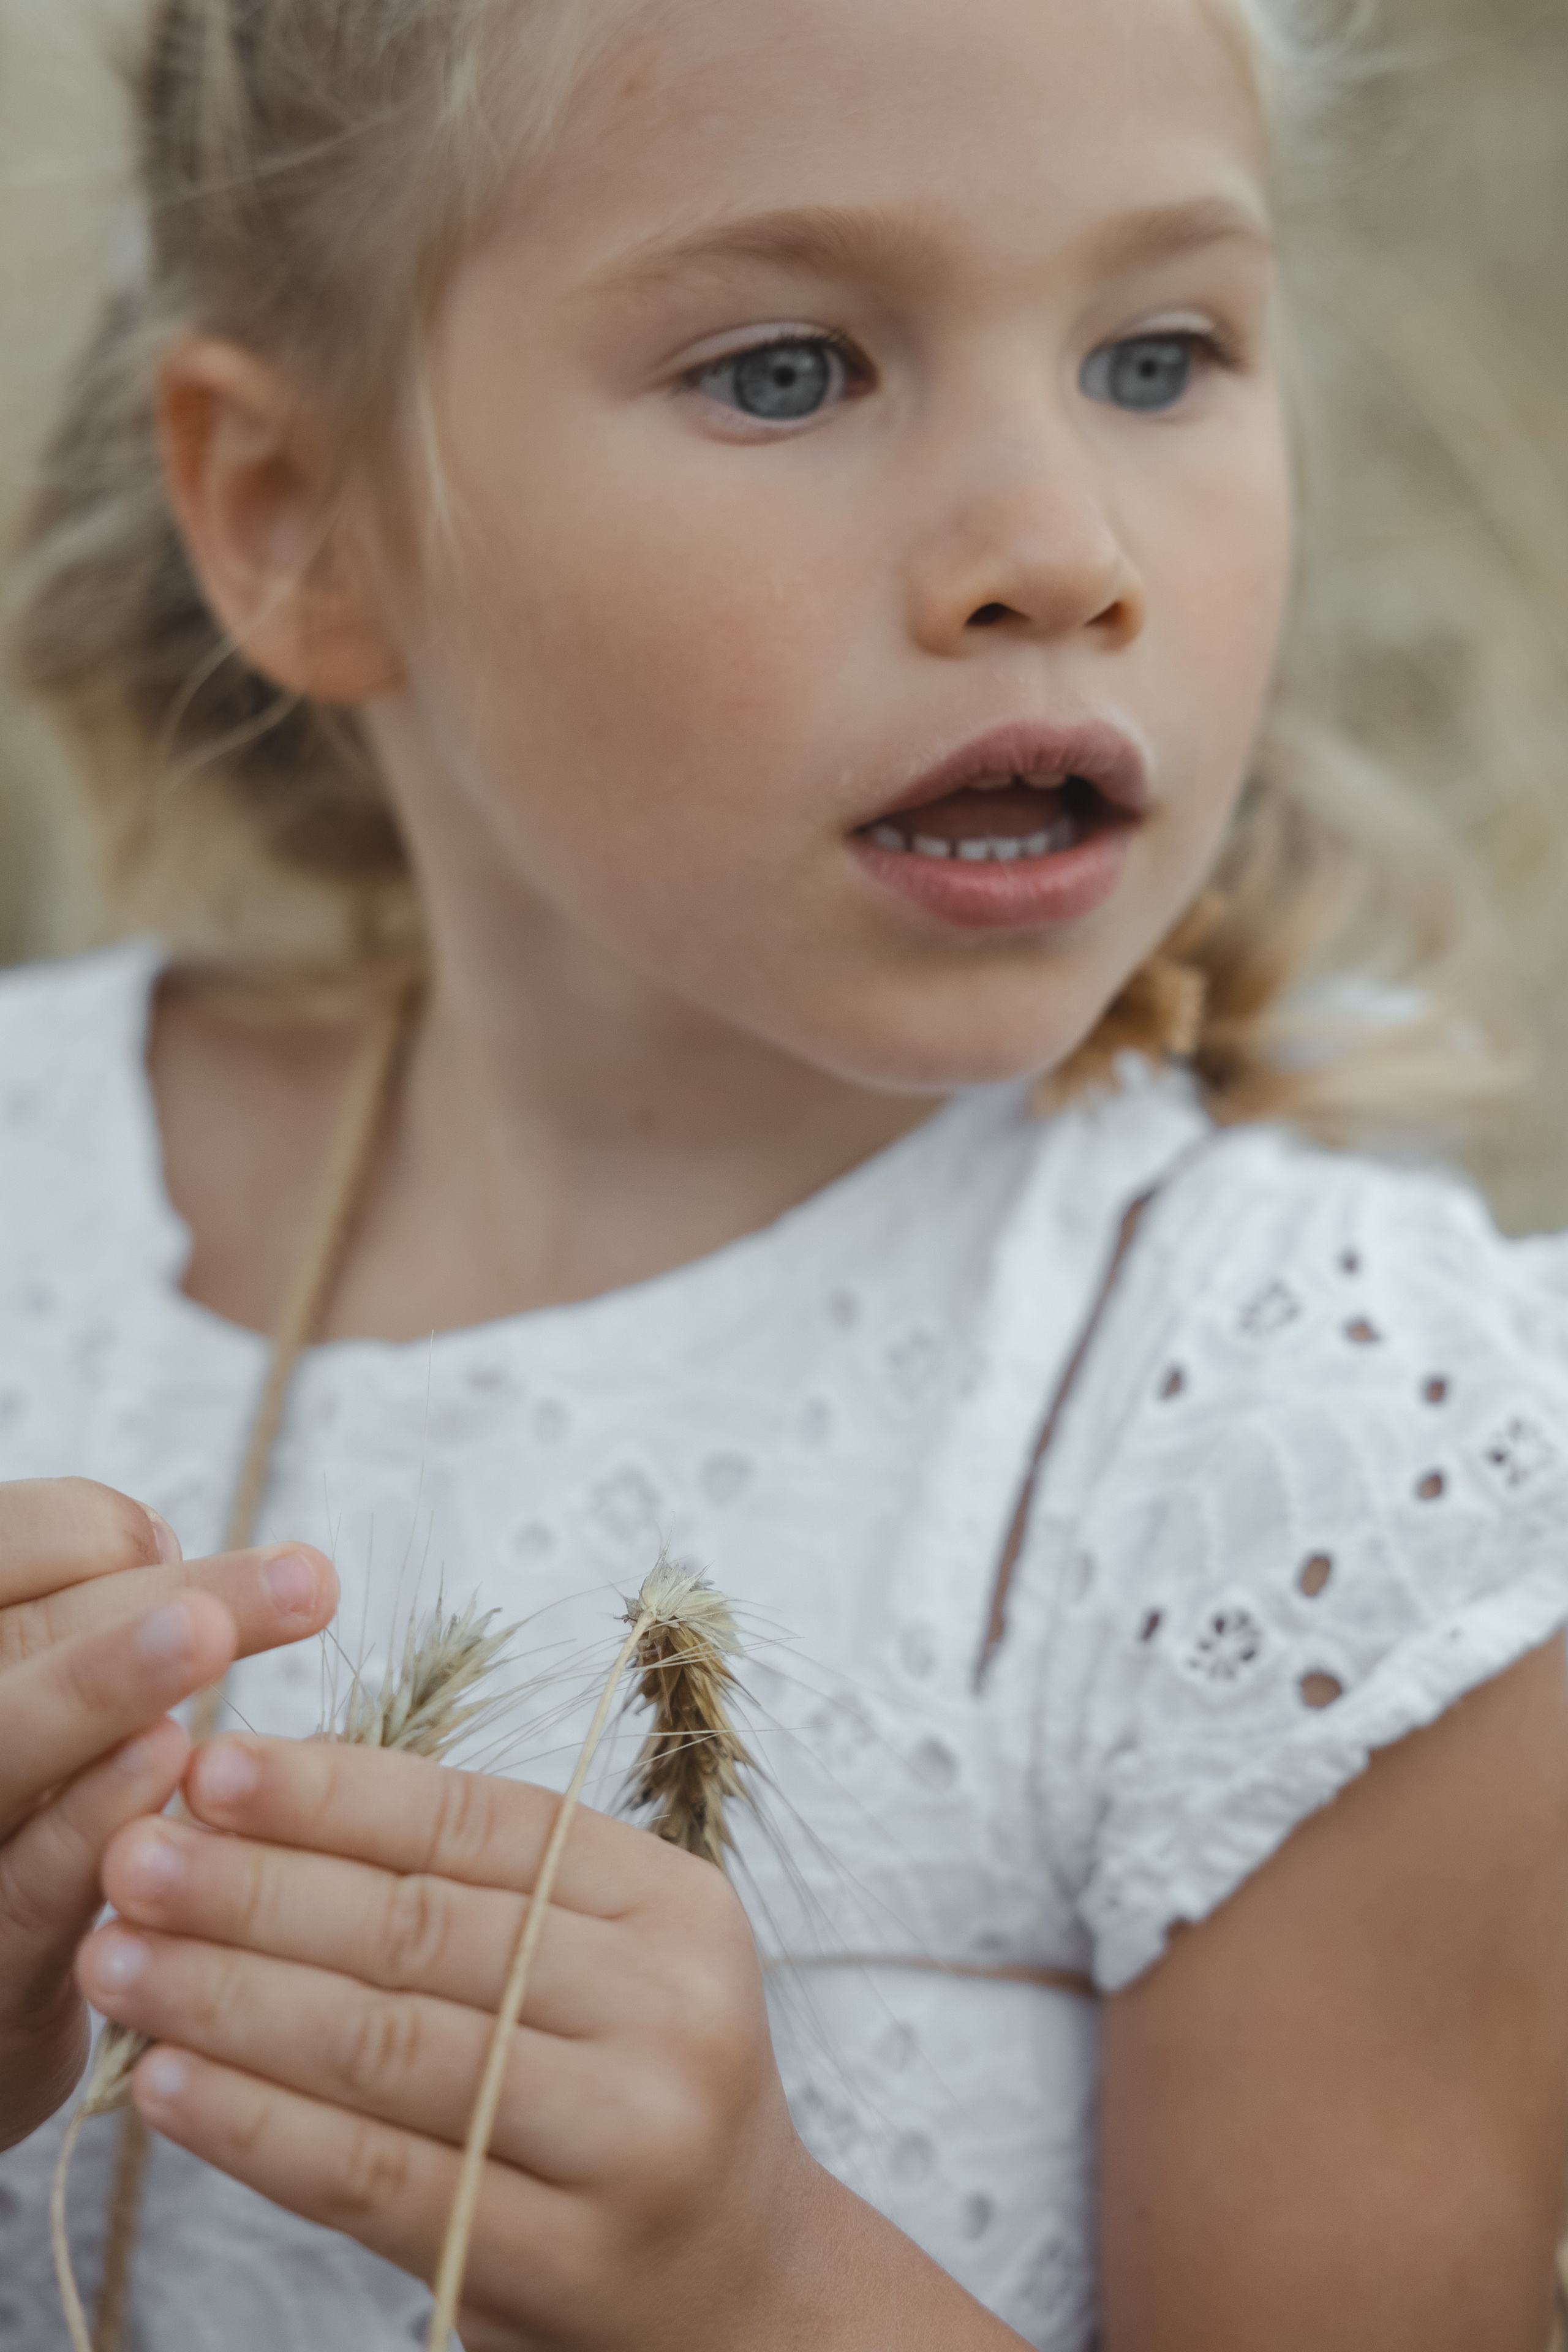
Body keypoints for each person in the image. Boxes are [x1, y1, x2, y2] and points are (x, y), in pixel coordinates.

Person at [2, 0, 1567, 2345]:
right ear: (296, 512)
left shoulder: (1326, 1452)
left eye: (1156, 357)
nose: (1061, 550)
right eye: (785, 372)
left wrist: (757, 2288)